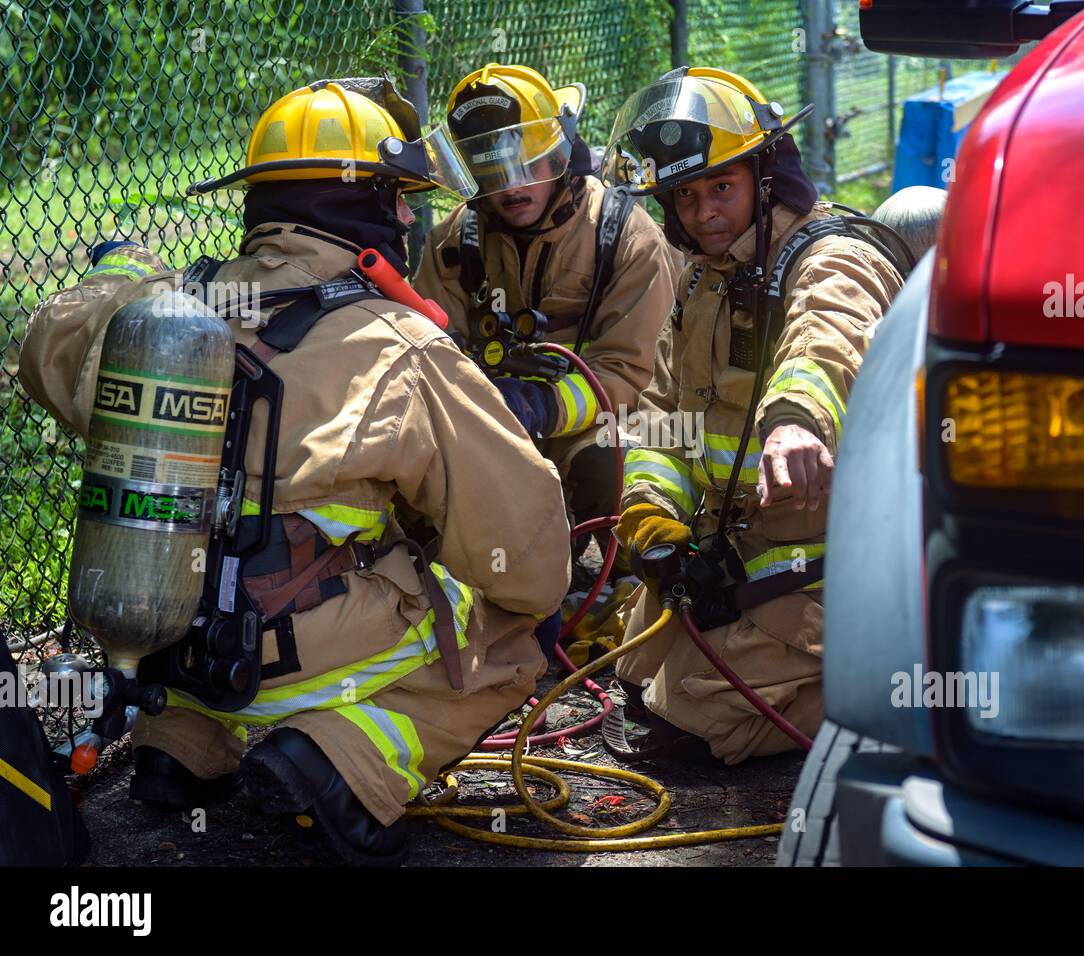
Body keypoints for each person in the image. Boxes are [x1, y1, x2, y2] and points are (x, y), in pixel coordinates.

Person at [17, 78, 572, 864]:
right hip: (301, 668)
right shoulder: (400, 346)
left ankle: (180, 743)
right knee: (517, 630)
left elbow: (50, 337)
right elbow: (528, 549)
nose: (412, 217)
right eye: (400, 199)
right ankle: (343, 760)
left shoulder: (166, 316)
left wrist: (124, 279)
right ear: (364, 208)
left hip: (169, 645)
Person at [597, 67, 906, 764]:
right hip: (731, 551)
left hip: (831, 562)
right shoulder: (706, 278)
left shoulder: (835, 258)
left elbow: (830, 337)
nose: (704, 212)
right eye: (686, 194)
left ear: (767, 178)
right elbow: (660, 415)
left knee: (703, 717)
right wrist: (650, 515)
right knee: (635, 672)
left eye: (722, 188)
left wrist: (796, 420)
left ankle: (894, 676)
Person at [413, 64, 680, 573]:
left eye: (526, 165)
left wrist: (538, 406)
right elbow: (428, 353)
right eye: (492, 172)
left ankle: (627, 586)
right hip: (494, 424)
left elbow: (634, 374)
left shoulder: (627, 237)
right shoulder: (454, 244)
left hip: (607, 421)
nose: (512, 188)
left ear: (560, 153)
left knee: (613, 459)